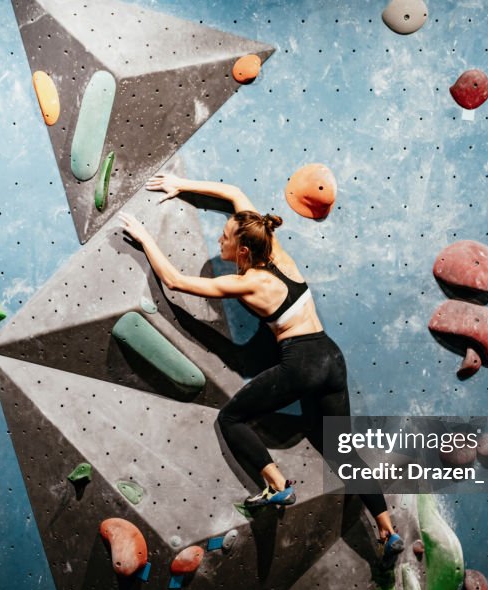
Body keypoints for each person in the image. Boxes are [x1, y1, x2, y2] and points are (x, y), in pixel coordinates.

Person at [118, 173, 403, 566]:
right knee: (341, 450)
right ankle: (387, 529)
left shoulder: (250, 283)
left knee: (232, 418)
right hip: (331, 357)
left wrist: (145, 236)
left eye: (226, 238)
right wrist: (180, 184)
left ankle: (277, 484)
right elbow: (235, 193)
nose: (221, 239)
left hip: (301, 363)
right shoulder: (275, 250)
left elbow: (174, 282)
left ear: (245, 251)